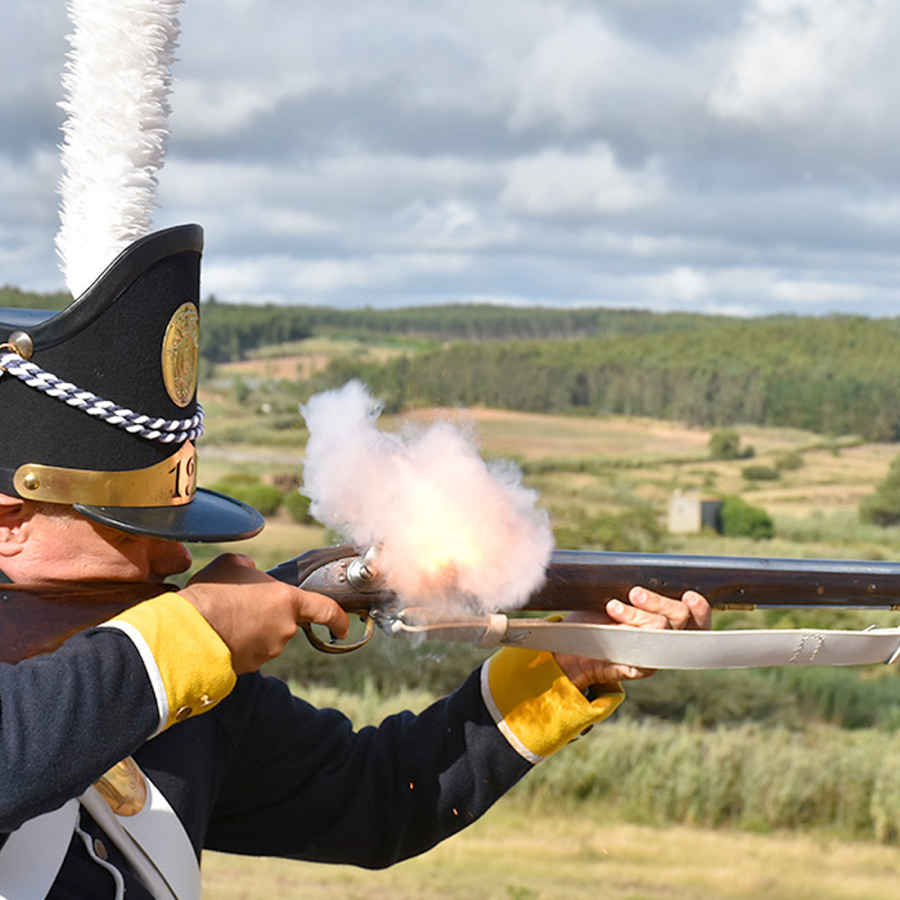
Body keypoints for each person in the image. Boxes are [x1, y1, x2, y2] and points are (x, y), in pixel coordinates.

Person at [0, 226, 710, 898]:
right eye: (131, 531)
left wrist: (572, 663)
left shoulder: (187, 687)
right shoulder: (173, 657)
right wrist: (197, 627)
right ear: (10, 524)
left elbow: (381, 798)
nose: (179, 555)